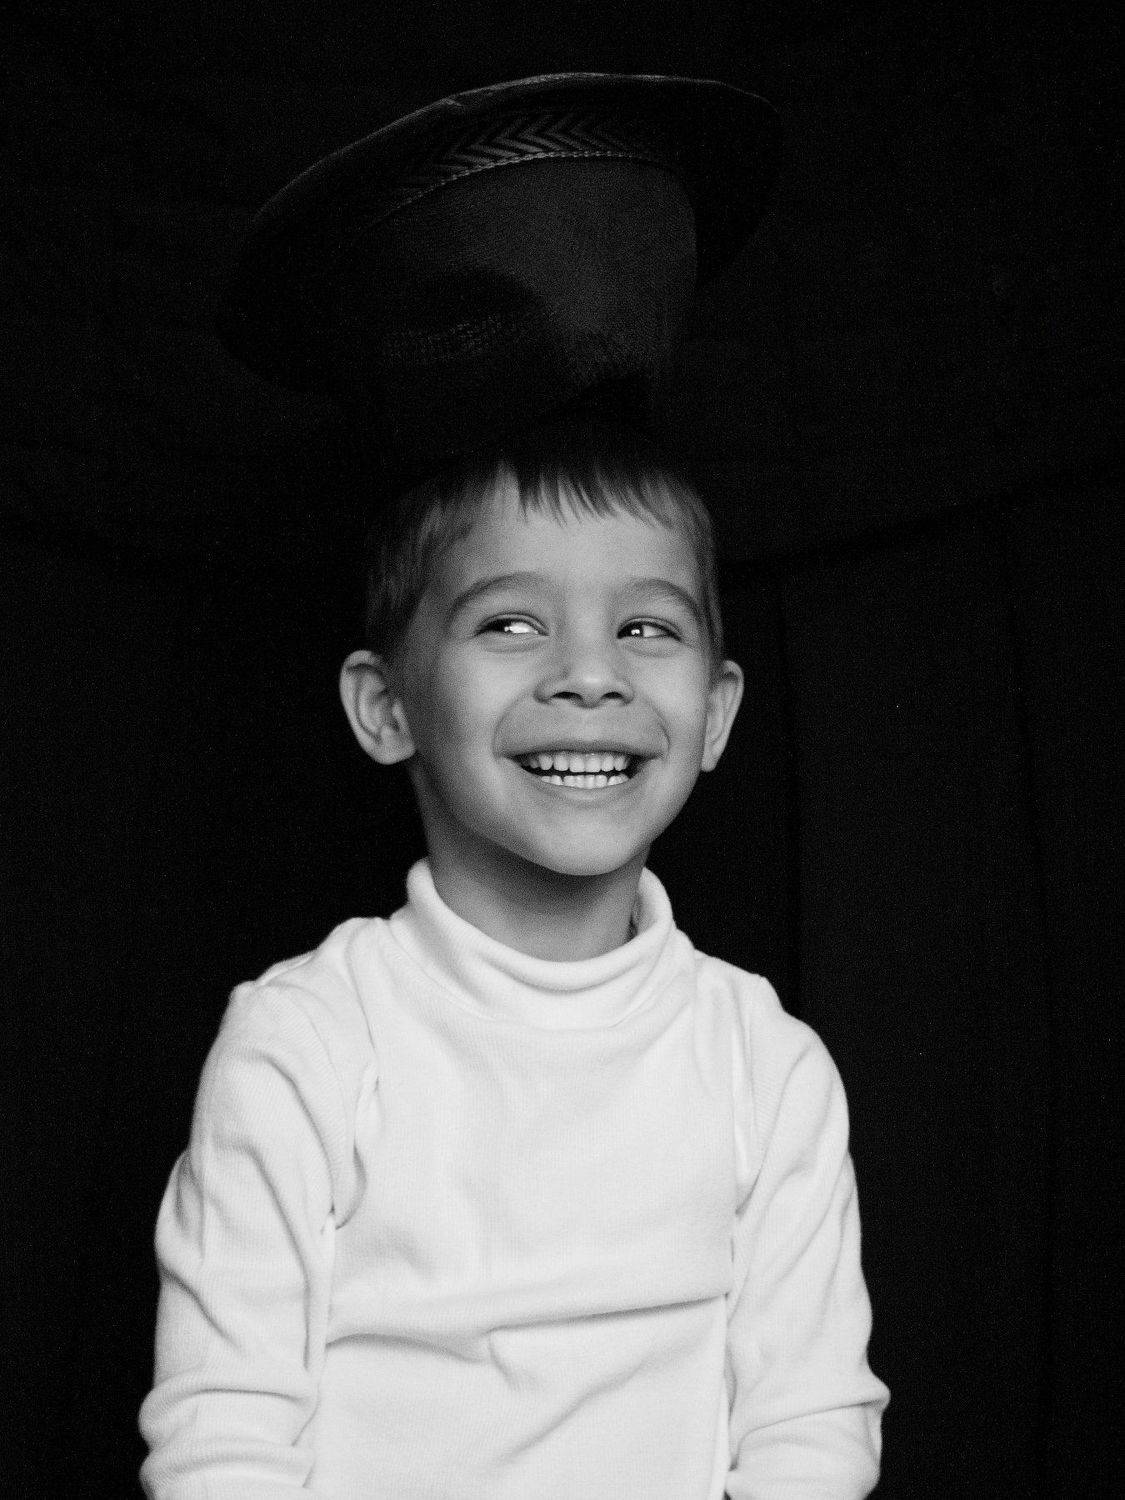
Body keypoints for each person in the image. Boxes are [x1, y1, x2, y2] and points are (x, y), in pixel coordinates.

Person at [139, 73, 888, 1499]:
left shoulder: (764, 1066)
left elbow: (809, 1430)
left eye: (647, 628)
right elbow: (224, 1435)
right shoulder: (306, 1047)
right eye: (511, 623)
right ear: (385, 707)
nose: (589, 674)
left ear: (718, 713)